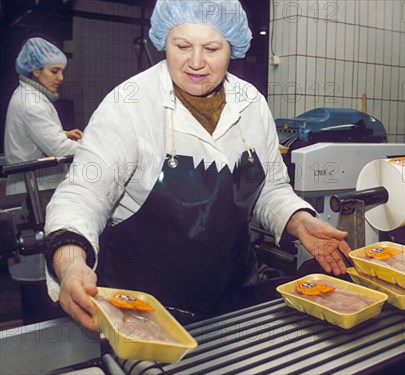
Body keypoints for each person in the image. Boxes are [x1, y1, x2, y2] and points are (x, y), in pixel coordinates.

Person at [43, 0, 351, 330]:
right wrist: (71, 263)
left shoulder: (251, 104)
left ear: (232, 48)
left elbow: (270, 188)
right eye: (182, 46)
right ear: (164, 42)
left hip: (231, 299)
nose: (196, 62)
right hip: (139, 310)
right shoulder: (129, 104)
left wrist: (298, 219)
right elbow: (82, 196)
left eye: (212, 48)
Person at [4, 37, 83, 196]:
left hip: (34, 186)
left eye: (62, 72)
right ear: (36, 70)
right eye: (54, 71)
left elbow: (33, 135)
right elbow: (61, 149)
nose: (60, 78)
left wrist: (63, 135)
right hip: (33, 190)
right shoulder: (32, 104)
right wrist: (96, 146)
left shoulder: (29, 95)